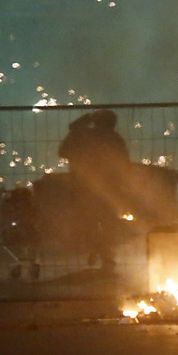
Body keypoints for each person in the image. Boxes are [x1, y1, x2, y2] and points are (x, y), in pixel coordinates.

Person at [59, 109, 130, 270]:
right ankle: (107, 257)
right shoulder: (115, 139)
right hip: (110, 189)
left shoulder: (84, 136)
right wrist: (124, 186)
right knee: (108, 224)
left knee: (89, 221)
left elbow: (63, 151)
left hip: (84, 187)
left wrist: (81, 123)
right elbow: (124, 164)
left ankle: (96, 248)